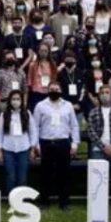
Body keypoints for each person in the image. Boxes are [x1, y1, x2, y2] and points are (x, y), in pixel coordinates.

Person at [30, 83, 79, 211]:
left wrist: (74, 144)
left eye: (57, 89)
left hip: (63, 143)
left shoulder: (68, 105)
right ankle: (44, 202)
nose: (54, 91)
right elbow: (35, 126)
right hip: (46, 143)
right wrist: (36, 145)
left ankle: (64, 203)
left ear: (61, 90)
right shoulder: (40, 106)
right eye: (52, 89)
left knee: (64, 174)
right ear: (47, 90)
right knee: (45, 175)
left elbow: (74, 125)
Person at [0, 91, 32, 195]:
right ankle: (11, 199)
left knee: (22, 177)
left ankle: (22, 199)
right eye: (13, 99)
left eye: (18, 99)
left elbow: (33, 131)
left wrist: (33, 147)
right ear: (9, 101)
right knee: (11, 176)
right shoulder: (4, 115)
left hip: (23, 148)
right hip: (8, 149)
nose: (15, 101)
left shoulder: (27, 114)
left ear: (22, 100)